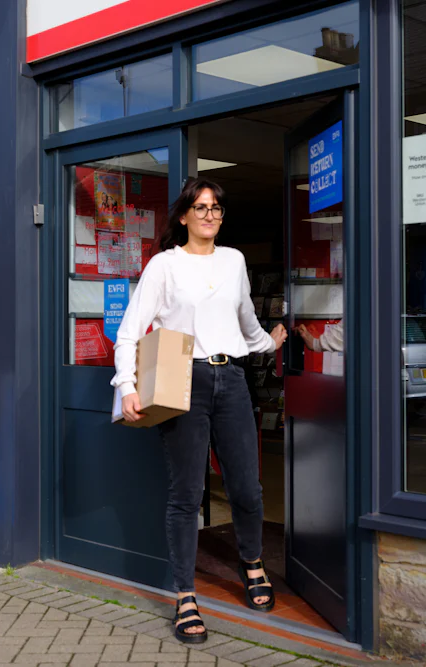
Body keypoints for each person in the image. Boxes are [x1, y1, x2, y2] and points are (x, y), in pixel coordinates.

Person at [112, 177, 288, 644]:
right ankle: (185, 594)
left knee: (247, 486)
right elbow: (130, 332)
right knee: (186, 494)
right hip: (179, 379)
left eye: (216, 208)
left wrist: (269, 343)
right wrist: (127, 386)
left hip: (231, 379)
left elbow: (245, 319)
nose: (210, 214)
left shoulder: (234, 261)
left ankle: (252, 563)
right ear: (184, 216)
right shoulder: (163, 266)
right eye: (201, 207)